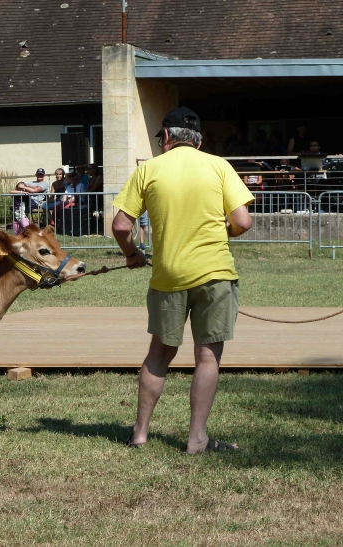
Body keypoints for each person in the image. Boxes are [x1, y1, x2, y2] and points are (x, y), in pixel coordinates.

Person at [111, 106, 254, 454]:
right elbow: (243, 221)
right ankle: (197, 440)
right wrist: (225, 229)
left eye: (161, 138)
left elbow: (120, 225)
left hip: (169, 275)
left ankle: (140, 434)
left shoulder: (150, 170)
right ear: (199, 141)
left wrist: (132, 254)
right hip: (215, 274)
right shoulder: (219, 166)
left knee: (159, 354)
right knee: (207, 356)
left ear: (168, 137)